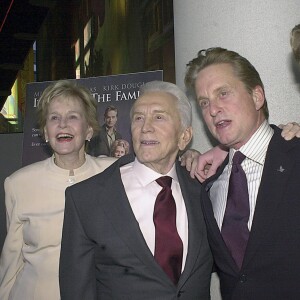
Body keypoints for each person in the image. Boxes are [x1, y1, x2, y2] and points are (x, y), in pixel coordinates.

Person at [59, 81, 213, 299]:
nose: (145, 127)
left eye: (158, 117)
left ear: (184, 136)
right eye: (138, 118)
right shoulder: (86, 199)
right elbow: (77, 291)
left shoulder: (205, 190)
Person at [185, 47, 300, 300]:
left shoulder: (295, 156)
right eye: (204, 103)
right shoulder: (207, 184)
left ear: (257, 97)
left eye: (223, 93)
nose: (213, 110)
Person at [0, 80, 116, 300]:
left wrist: (191, 157)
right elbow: (11, 260)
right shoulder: (18, 184)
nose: (63, 125)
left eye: (73, 116)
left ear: (89, 129)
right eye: (54, 118)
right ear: (45, 132)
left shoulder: (114, 175)